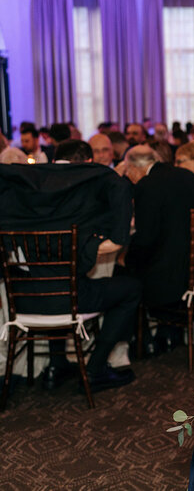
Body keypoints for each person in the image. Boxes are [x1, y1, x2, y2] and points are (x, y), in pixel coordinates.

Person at [0, 148, 140, 392]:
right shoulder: (80, 201)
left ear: (54, 162)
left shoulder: (26, 199)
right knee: (131, 288)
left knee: (59, 284)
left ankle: (56, 365)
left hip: (24, 301)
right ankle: (95, 369)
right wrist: (97, 243)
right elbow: (115, 242)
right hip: (70, 298)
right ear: (87, 163)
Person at [124, 145, 194, 310]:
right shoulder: (187, 175)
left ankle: (143, 335)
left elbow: (146, 238)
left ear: (133, 167)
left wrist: (126, 257)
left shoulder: (146, 185)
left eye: (127, 171)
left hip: (167, 274)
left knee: (124, 272)